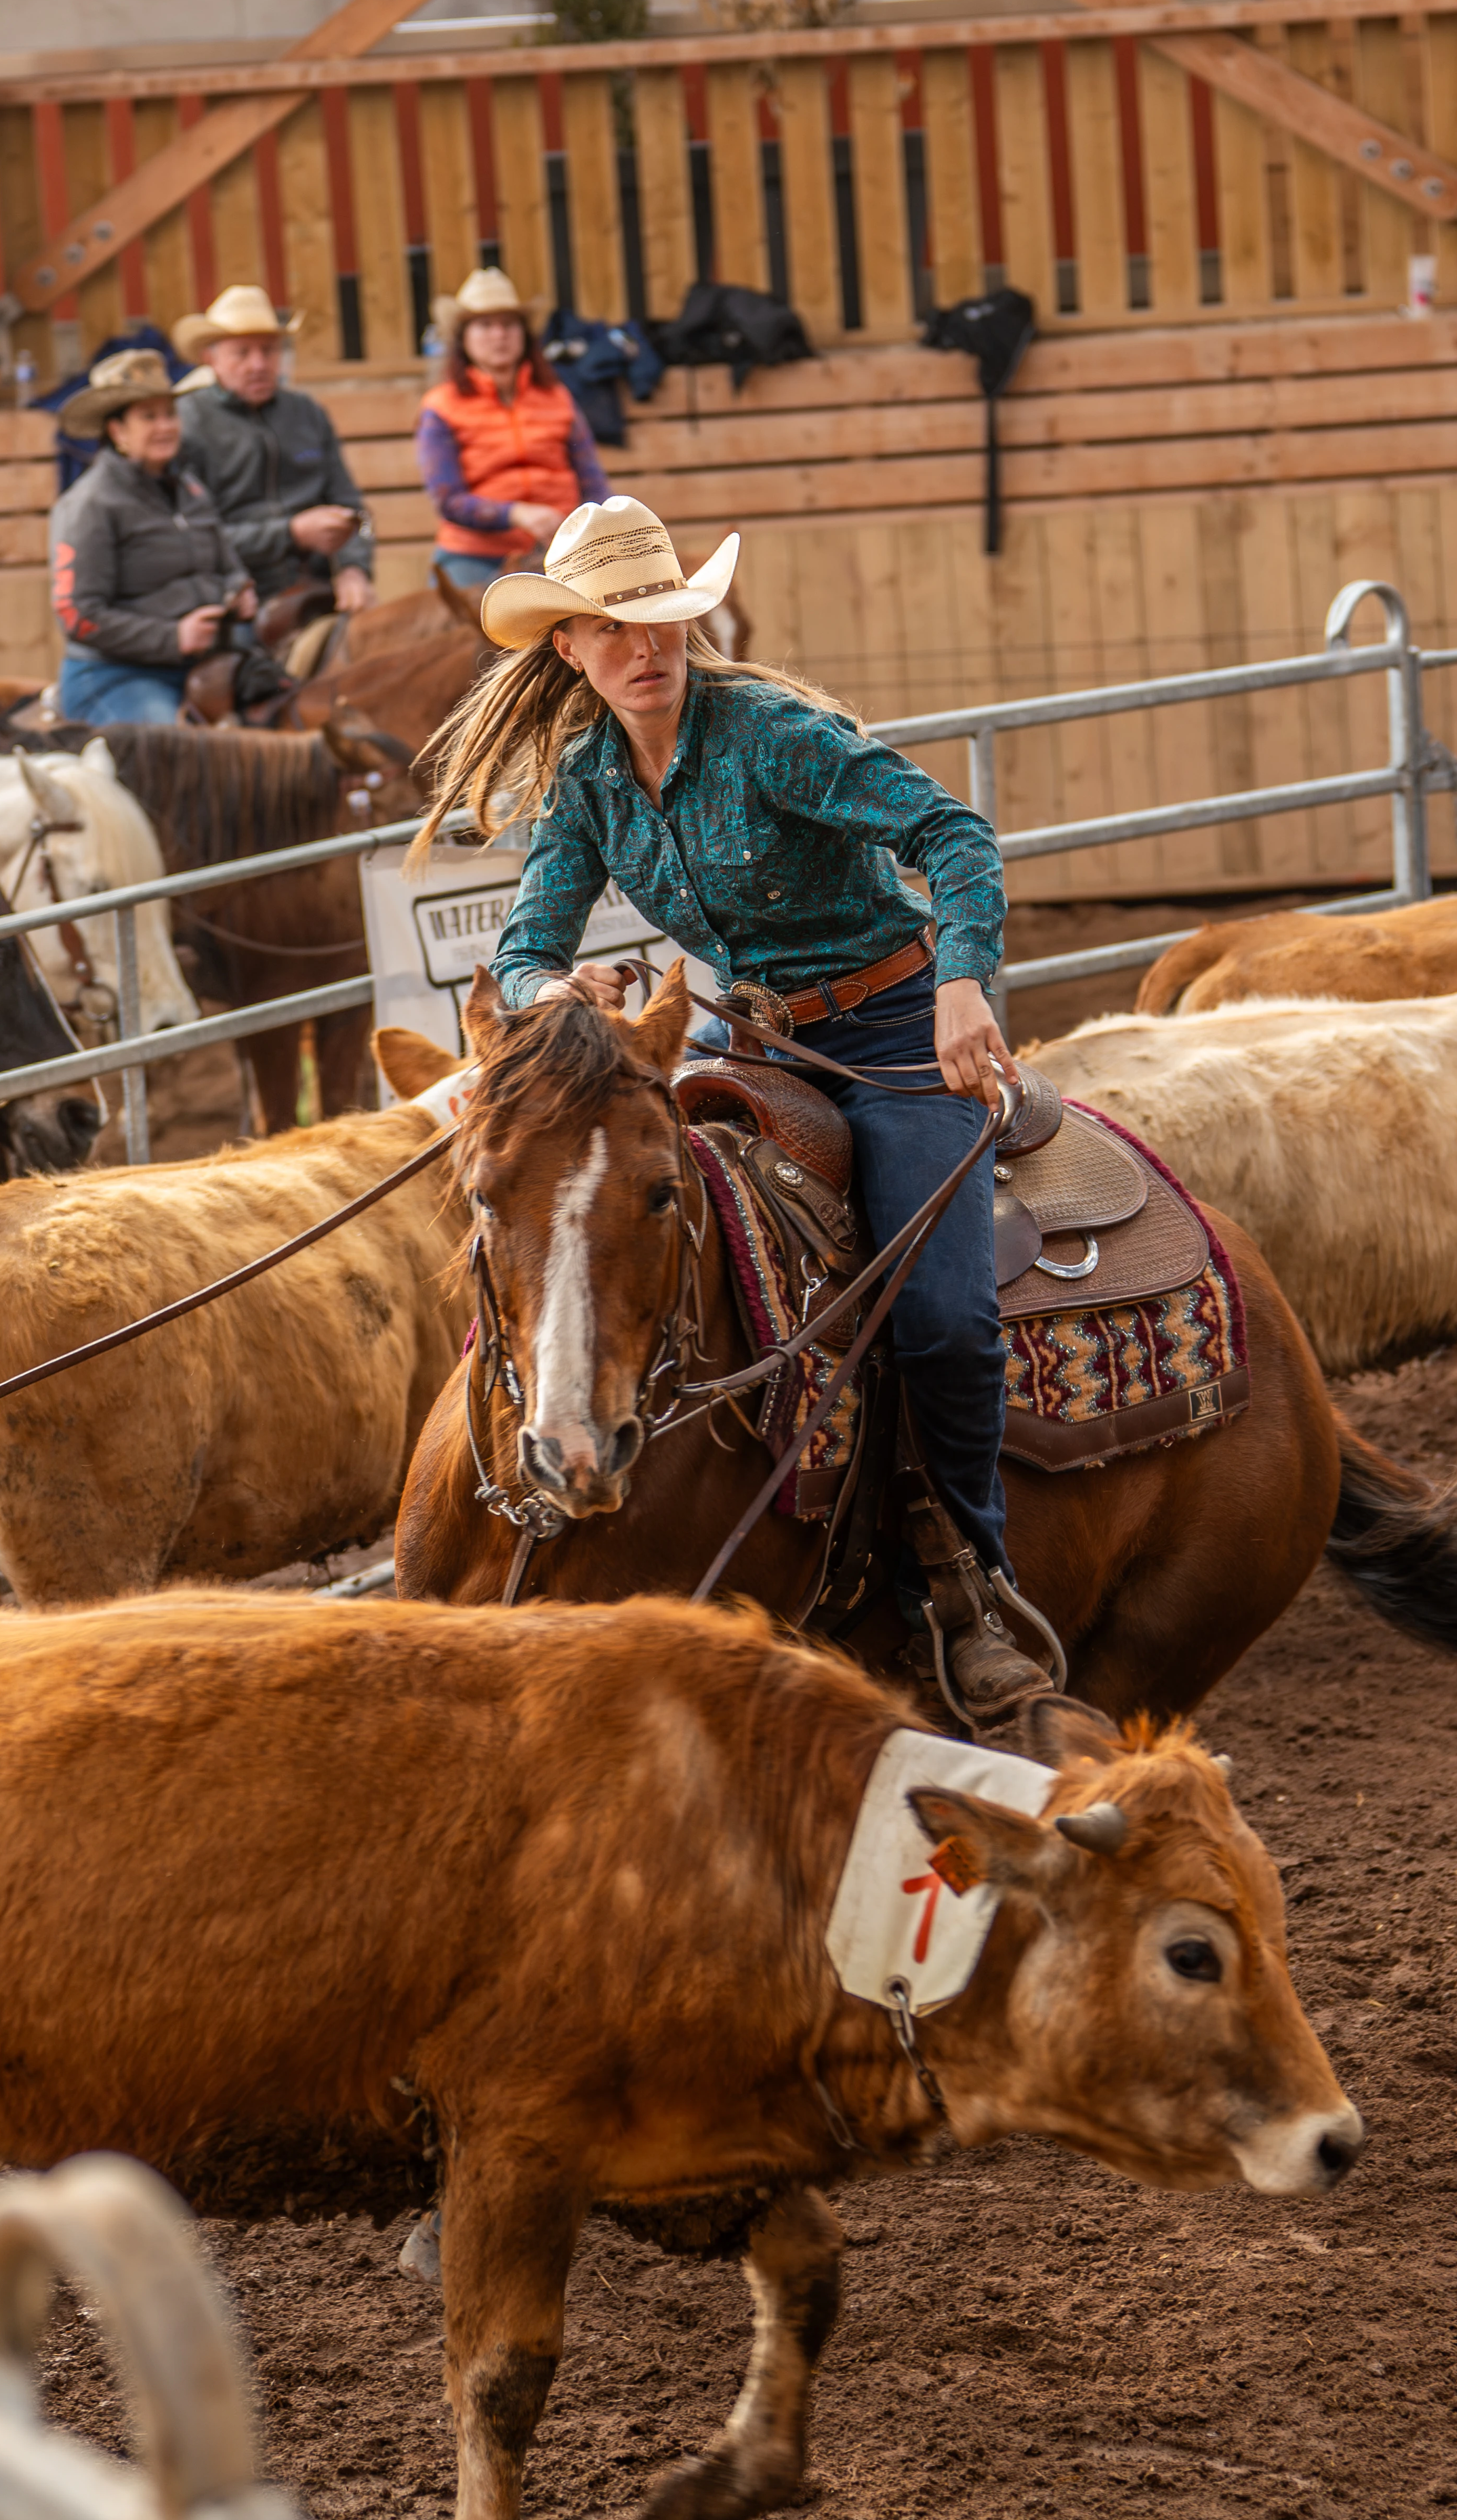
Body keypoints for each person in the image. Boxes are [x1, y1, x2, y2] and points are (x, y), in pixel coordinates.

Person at [414, 492, 1059, 1735]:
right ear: (570, 649)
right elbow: (530, 943)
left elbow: (952, 835)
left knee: (938, 1314)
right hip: (742, 1036)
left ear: (689, 621)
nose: (641, 647)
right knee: (615, 1229)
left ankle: (970, 1582)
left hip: (890, 1032)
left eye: (658, 617)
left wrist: (962, 982)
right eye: (610, 628)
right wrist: (557, 992)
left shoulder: (773, 736)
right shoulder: (589, 779)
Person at [49, 348, 253, 727]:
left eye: (170, 414)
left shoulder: (191, 490)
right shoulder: (90, 504)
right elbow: (77, 615)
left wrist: (239, 589)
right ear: (118, 431)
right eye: (149, 417)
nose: (166, 427)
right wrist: (172, 637)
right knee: (176, 753)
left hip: (206, 667)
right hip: (114, 676)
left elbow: (229, 565)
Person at [173, 283, 377, 625]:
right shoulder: (187, 423)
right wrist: (291, 533)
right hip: (234, 597)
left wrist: (355, 568)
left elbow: (357, 512)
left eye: (269, 351)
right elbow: (195, 538)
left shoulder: (308, 413)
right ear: (211, 358)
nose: (258, 364)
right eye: (242, 353)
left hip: (320, 590)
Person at [415, 268, 612, 597]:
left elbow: (593, 482)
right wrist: (516, 513)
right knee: (462, 627)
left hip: (562, 549)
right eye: (485, 325)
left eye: (509, 324)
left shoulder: (557, 397)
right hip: (475, 555)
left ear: (524, 334)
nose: (499, 335)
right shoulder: (440, 407)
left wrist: (601, 527)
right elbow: (449, 500)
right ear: (463, 338)